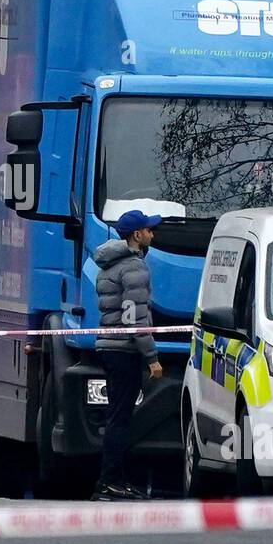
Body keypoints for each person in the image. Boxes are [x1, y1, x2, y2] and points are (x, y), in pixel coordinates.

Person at [91, 209, 163, 502]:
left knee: (116, 415)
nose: (152, 234)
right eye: (148, 230)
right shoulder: (134, 267)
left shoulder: (110, 264)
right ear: (137, 235)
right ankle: (110, 482)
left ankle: (114, 481)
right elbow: (136, 317)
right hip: (125, 350)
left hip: (109, 346)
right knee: (120, 419)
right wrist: (152, 356)